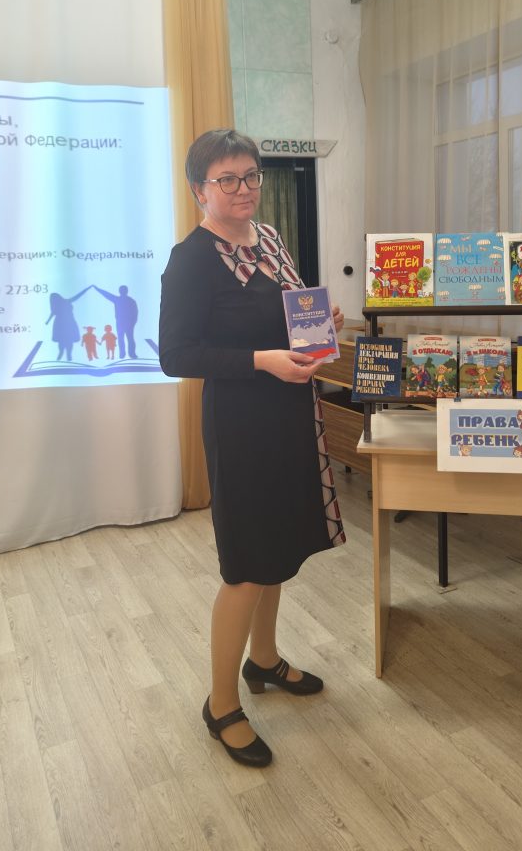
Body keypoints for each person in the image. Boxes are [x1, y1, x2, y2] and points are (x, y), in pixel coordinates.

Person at [159, 129, 346, 769]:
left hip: (289, 414)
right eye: (227, 179)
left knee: (278, 552)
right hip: (240, 424)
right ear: (199, 190)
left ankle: (262, 661)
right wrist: (265, 360)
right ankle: (220, 704)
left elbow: (284, 316)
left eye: (251, 176)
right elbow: (176, 356)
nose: (243, 189)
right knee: (244, 567)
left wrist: (321, 327)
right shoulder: (191, 259)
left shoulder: (268, 239)